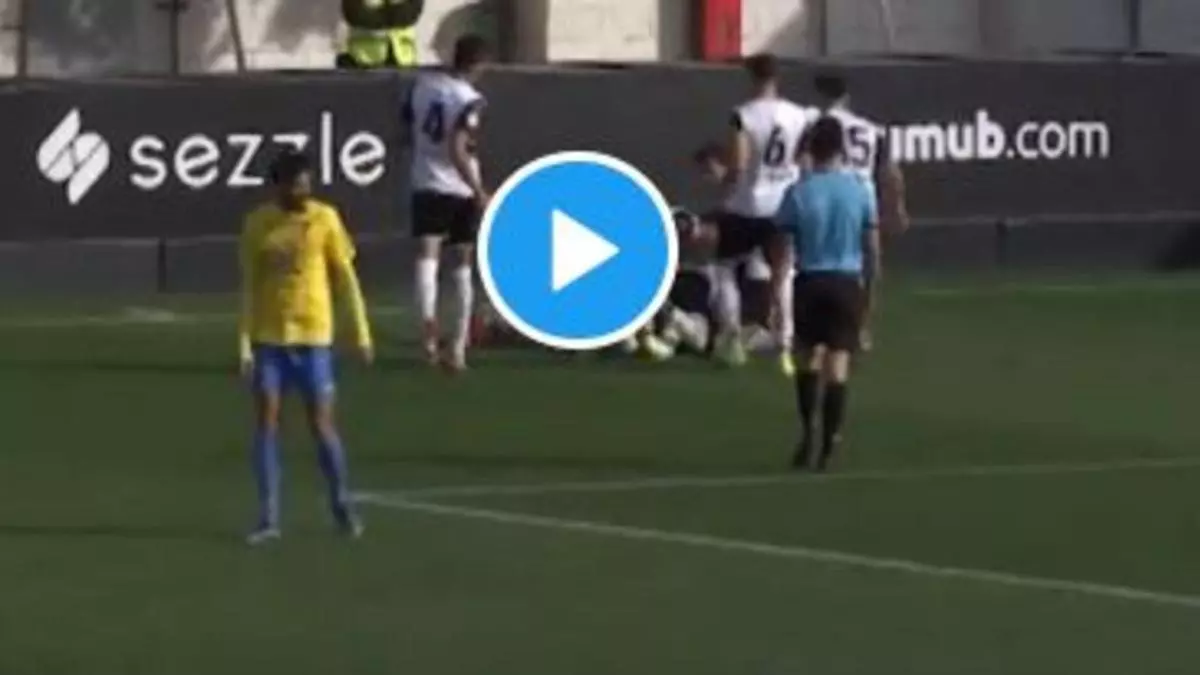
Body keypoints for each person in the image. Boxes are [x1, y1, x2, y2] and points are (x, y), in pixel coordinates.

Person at [238, 150, 374, 544]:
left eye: (307, 184)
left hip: (314, 337)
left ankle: (341, 505)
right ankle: (268, 516)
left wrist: (361, 333)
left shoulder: (325, 219)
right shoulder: (258, 224)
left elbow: (346, 278)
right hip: (270, 338)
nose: (304, 191)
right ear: (279, 186)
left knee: (322, 424)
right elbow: (249, 286)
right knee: (267, 423)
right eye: (296, 185)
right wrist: (244, 344)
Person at [770, 116, 880, 472]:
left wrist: (776, 297)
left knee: (807, 360)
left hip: (810, 282)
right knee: (838, 364)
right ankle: (831, 441)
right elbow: (873, 250)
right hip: (846, 282)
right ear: (841, 150)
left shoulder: (798, 192)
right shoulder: (860, 190)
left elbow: (782, 253)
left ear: (812, 149)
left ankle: (808, 431)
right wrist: (869, 298)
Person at [715, 53, 815, 375]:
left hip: (746, 205)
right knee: (783, 274)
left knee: (726, 270)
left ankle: (732, 341)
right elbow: (803, 161)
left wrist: (724, 181)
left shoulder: (743, 115)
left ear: (752, 77)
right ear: (777, 77)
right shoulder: (799, 115)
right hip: (782, 205)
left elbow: (739, 165)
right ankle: (784, 347)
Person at [403, 34, 491, 372]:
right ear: (478, 64)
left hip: (425, 180)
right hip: (459, 186)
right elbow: (458, 147)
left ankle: (428, 337)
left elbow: (406, 127)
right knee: (462, 262)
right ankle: (457, 346)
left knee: (428, 256)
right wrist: (478, 189)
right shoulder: (470, 99)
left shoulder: (423, 85)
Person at [811, 73, 909, 352]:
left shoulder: (820, 124)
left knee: (824, 262)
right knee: (870, 263)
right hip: (864, 199)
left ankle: (820, 326)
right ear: (847, 98)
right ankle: (862, 326)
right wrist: (898, 206)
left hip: (831, 196)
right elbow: (891, 172)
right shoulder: (871, 129)